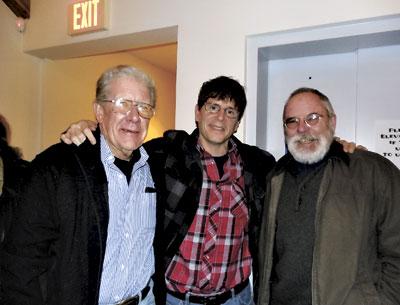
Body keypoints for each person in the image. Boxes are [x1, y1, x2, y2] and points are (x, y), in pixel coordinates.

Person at [61, 79, 359, 305]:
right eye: (213, 107)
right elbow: (122, 146)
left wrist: (334, 144)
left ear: (238, 121)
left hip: (236, 298)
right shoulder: (165, 155)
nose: (220, 118)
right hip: (177, 299)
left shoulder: (258, 164)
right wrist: (92, 129)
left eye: (230, 111)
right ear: (197, 112)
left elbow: (301, 156)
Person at [0, 65, 158, 305]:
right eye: (123, 103)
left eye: (144, 107)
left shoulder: (156, 167)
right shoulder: (55, 168)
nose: (134, 116)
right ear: (99, 111)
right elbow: (21, 263)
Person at [257, 87, 400, 305]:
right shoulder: (274, 177)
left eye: (313, 118)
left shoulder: (373, 171)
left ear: (332, 122)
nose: (302, 128)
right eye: (292, 121)